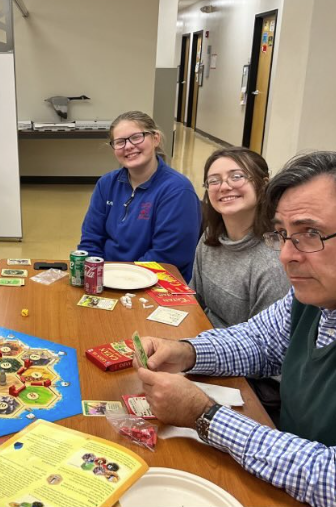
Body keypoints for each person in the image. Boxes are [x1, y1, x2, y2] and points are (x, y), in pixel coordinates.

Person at [136, 151, 336, 507]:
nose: (286, 255)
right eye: (283, 234)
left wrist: (204, 415)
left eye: (310, 233)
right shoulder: (310, 300)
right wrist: (186, 351)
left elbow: (328, 476)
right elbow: (256, 340)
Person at [78, 111, 201, 282]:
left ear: (155, 139)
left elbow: (166, 257)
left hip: (155, 283)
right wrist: (95, 275)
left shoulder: (177, 191)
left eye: (136, 137)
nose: (128, 146)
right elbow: (91, 239)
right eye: (119, 142)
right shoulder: (106, 184)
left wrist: (120, 279)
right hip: (108, 279)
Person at [190, 147, 290, 328]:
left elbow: (264, 344)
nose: (224, 187)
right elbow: (195, 298)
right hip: (200, 335)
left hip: (235, 352)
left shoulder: (274, 261)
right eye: (214, 181)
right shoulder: (211, 235)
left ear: (263, 184)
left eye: (236, 177)